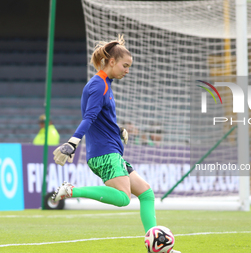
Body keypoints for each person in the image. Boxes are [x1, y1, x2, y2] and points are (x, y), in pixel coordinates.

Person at [51, 35, 180, 253]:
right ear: (111, 62)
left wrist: (117, 129)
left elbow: (101, 117)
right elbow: (89, 117)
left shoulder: (105, 84)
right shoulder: (98, 85)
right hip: (105, 153)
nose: (127, 70)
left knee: (146, 193)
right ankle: (72, 190)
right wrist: (72, 143)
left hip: (111, 151)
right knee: (123, 198)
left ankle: (155, 247)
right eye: (125, 65)